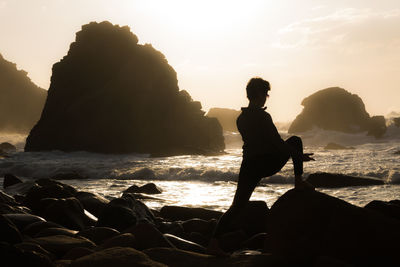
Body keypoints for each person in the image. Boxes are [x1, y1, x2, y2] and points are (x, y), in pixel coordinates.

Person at [207, 77, 314, 255]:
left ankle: (213, 243)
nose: (266, 97)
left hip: (248, 165)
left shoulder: (241, 118)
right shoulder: (263, 117)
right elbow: (277, 143)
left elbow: (260, 142)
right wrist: (299, 156)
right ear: (258, 94)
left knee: (237, 206)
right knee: (295, 141)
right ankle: (298, 181)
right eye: (265, 93)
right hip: (265, 163)